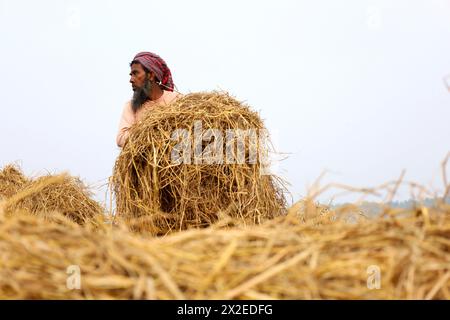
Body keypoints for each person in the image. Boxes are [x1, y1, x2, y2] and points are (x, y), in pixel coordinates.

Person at [116, 51, 181, 148]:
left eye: (135, 73)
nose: (131, 80)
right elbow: (121, 139)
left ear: (151, 75)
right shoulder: (131, 106)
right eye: (131, 75)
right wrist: (149, 128)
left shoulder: (176, 99)